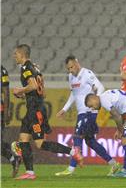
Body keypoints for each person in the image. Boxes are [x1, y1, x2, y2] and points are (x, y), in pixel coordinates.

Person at [12, 44, 82, 180]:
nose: (14, 56)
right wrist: (25, 95)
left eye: (16, 54)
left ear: (22, 54)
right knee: (23, 139)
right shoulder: (35, 67)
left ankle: (73, 151)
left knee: (40, 143)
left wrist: (19, 90)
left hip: (35, 110)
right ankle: (30, 173)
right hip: (33, 108)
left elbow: (33, 85)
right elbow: (41, 93)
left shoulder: (26, 67)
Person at [55, 55, 120, 176]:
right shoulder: (71, 77)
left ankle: (71, 169)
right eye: (68, 68)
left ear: (77, 62)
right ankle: (113, 163)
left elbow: (100, 87)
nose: (70, 70)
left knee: (77, 136)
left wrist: (95, 103)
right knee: (90, 141)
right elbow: (74, 94)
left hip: (89, 112)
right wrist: (65, 108)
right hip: (81, 112)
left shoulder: (87, 74)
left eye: (72, 67)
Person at [84, 89, 126, 177]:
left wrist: (120, 130)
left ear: (93, 99)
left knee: (125, 140)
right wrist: (119, 130)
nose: (92, 108)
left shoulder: (104, 100)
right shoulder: (107, 96)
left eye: (91, 105)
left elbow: (117, 116)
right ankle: (125, 169)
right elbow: (122, 113)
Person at [1, 65, 21, 177]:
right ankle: (14, 158)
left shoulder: (2, 71)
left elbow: (6, 92)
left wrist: (6, 112)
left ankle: (14, 158)